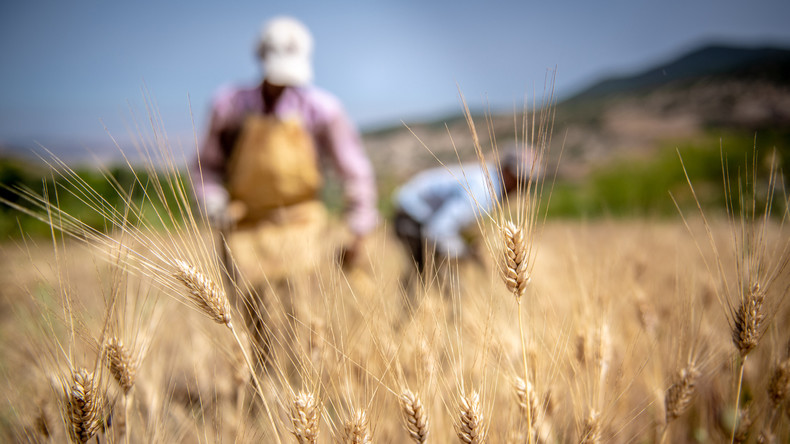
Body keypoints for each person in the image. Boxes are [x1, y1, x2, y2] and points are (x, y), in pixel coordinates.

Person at [192, 16, 378, 363]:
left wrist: (359, 227)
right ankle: (265, 393)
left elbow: (355, 171)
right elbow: (207, 165)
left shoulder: (323, 110)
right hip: (245, 228)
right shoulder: (229, 105)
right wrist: (211, 199)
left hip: (302, 225)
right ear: (260, 59)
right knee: (256, 326)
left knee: (303, 320)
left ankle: (303, 390)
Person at [392, 147, 539, 283]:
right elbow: (437, 229)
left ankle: (407, 305)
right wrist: (464, 253)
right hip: (411, 217)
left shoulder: (488, 180)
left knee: (426, 276)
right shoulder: (483, 193)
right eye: (520, 179)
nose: (523, 186)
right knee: (446, 286)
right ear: (506, 171)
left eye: (527, 182)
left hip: (415, 213)